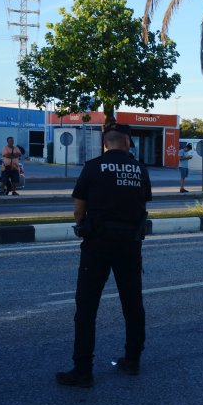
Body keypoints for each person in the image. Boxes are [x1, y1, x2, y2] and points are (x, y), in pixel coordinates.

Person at [56, 123, 152, 388]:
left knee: (86, 307)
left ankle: (83, 370)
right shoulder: (139, 168)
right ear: (128, 143)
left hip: (97, 243)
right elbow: (142, 203)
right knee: (132, 303)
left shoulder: (93, 166)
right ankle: (132, 360)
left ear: (105, 144)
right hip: (130, 244)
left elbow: (79, 207)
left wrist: (82, 226)